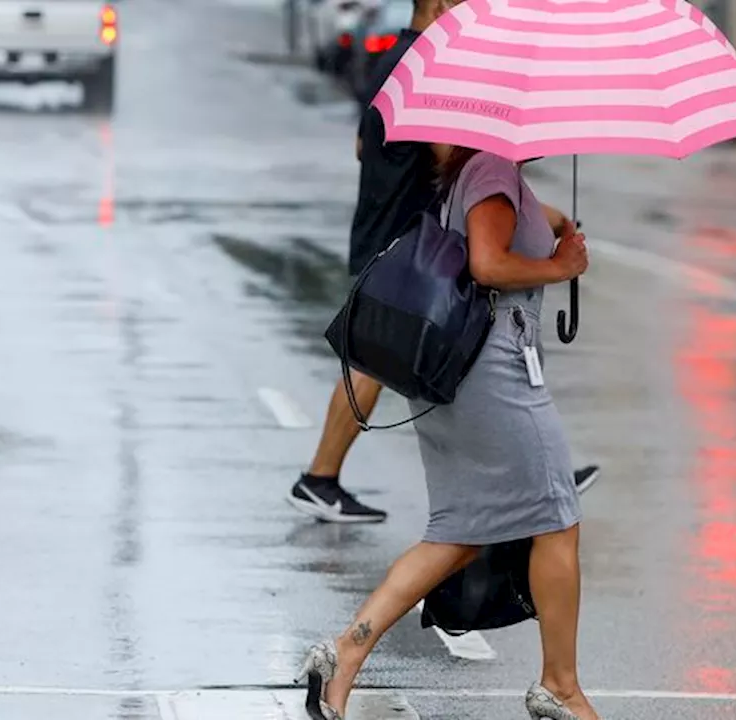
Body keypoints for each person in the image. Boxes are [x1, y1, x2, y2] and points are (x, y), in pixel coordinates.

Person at [294, 147, 602, 720]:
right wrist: (561, 268)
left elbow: (509, 225)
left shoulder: (480, 173)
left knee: (458, 532)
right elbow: (488, 264)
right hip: (495, 375)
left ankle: (343, 654)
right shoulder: (491, 169)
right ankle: (560, 685)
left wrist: (556, 224)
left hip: (459, 373)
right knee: (557, 517)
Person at [286, 0, 600, 524]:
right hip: (405, 243)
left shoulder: (399, 61)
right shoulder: (430, 63)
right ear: (438, 4)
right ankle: (319, 477)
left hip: (393, 232)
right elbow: (456, 156)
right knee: (378, 364)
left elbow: (365, 143)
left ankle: (534, 469)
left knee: (397, 361)